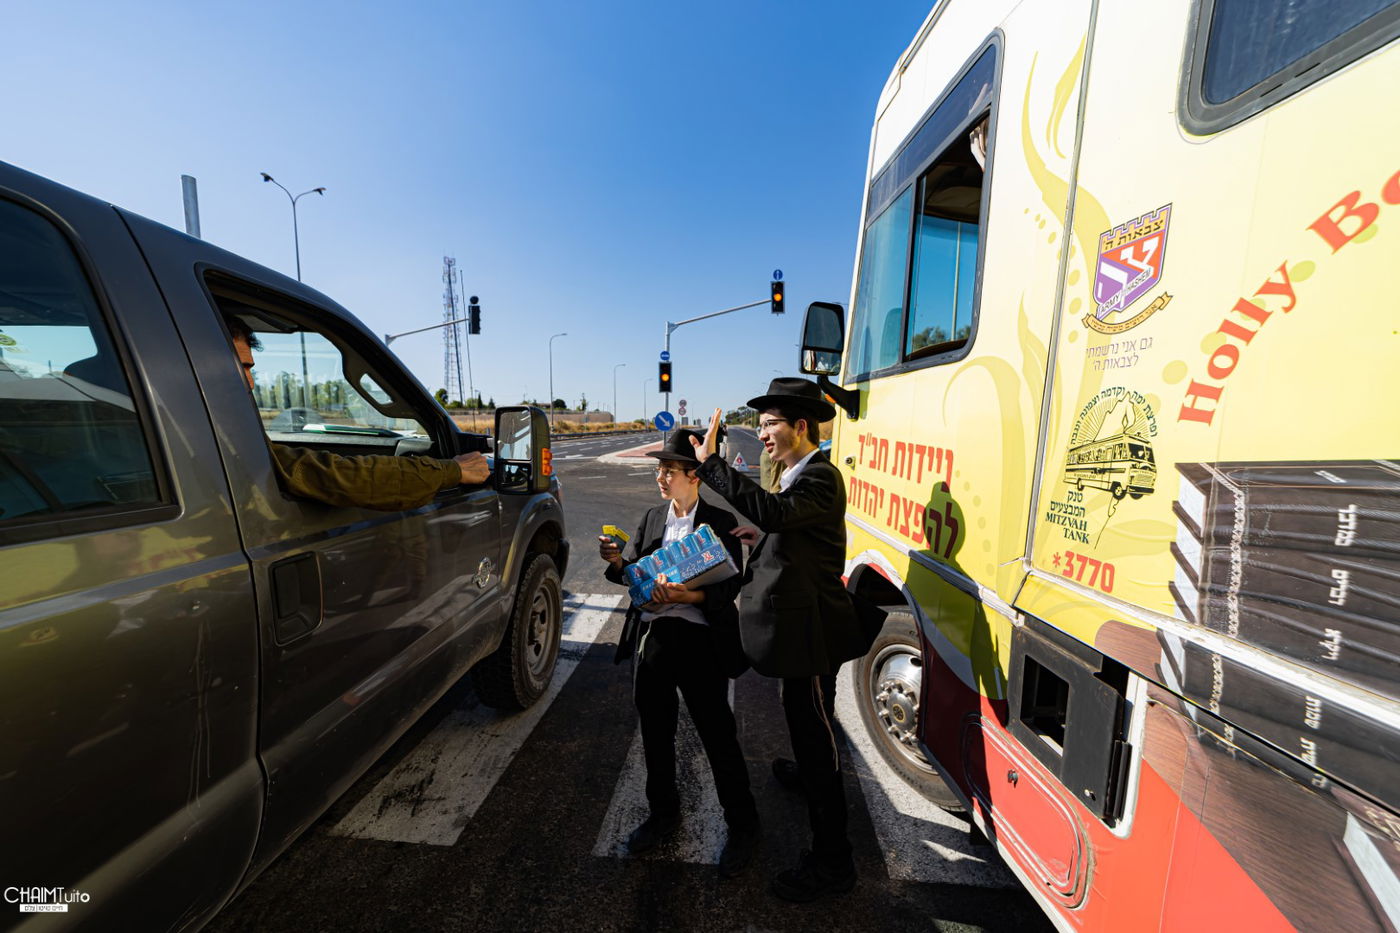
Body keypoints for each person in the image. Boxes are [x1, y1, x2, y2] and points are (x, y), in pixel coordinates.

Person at [689, 377, 873, 902]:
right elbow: (785, 525)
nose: (762, 434)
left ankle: (833, 862)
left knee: (814, 730)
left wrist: (711, 466)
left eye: (769, 425)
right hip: (799, 629)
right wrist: (761, 535)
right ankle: (805, 770)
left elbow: (778, 512)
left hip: (811, 633)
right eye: (761, 424)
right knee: (805, 716)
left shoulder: (820, 476)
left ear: (800, 425)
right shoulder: (797, 474)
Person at [598, 429, 761, 878]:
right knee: (655, 731)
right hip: (656, 638)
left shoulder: (720, 523)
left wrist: (689, 597)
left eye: (669, 470)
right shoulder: (652, 519)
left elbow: (729, 587)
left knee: (717, 734)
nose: (661, 478)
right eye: (659, 470)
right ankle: (663, 814)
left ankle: (743, 825)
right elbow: (630, 574)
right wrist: (617, 563)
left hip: (702, 640)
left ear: (695, 477)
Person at [227, 317, 489, 510]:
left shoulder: (211, 432)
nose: (250, 382)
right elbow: (336, 476)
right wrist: (451, 471)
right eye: (241, 367)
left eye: (251, 369)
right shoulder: (220, 439)